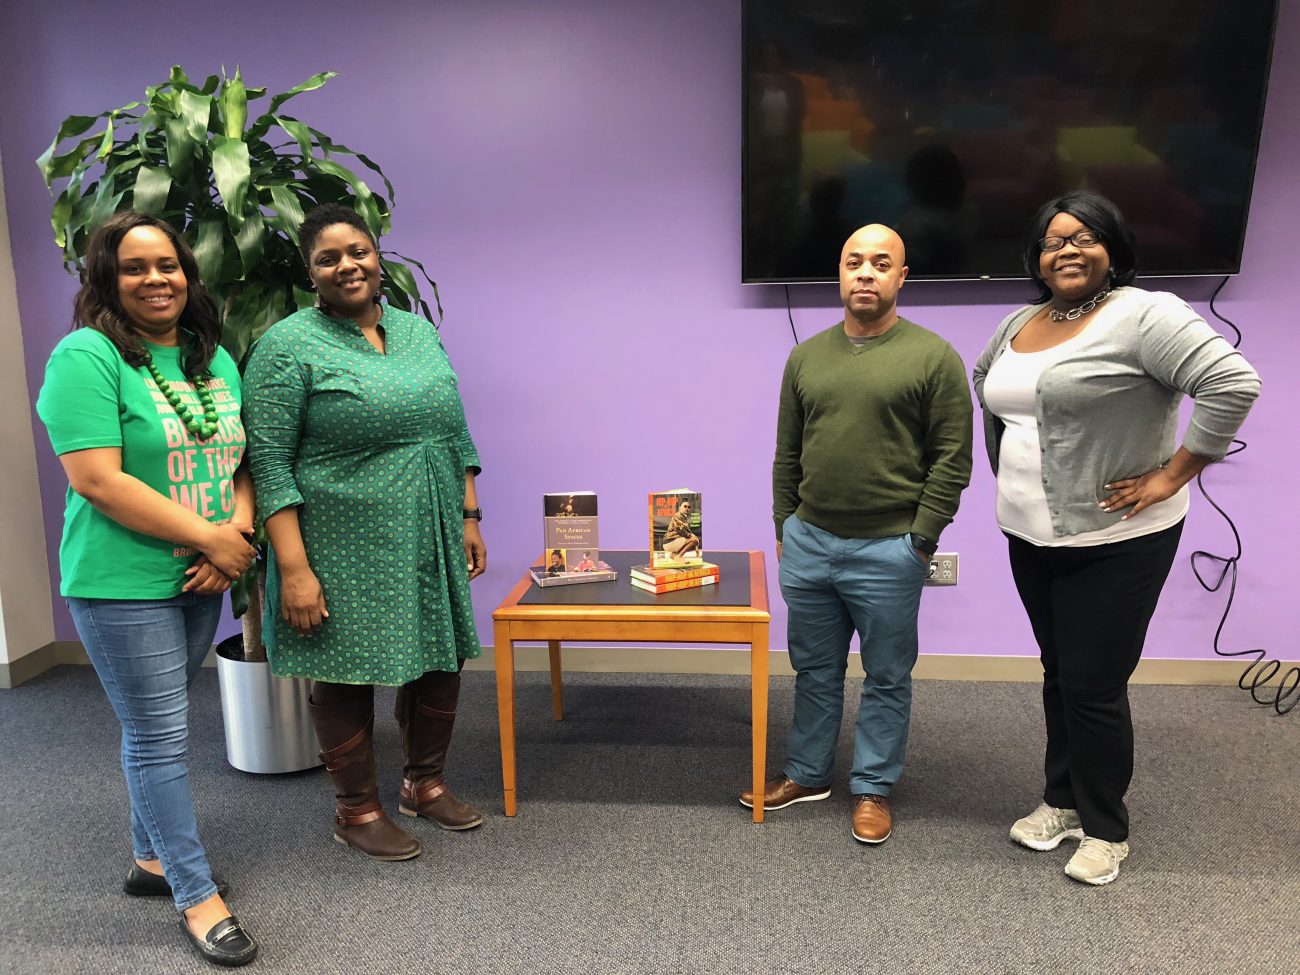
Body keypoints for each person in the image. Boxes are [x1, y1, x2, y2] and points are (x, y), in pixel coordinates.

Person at [972, 190, 1260, 885]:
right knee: (1058, 670)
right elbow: (988, 384)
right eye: (1052, 240)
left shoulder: (1145, 314)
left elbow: (1232, 381)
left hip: (1116, 537)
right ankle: (1062, 800)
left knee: (1094, 684)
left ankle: (1106, 828)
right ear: (1036, 258)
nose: (1066, 249)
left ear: (1114, 247)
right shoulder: (1023, 318)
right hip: (1030, 533)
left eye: (1084, 236)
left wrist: (1174, 472)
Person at [35, 212, 260, 966]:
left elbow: (241, 464)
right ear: (106, 278)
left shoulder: (211, 359)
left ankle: (150, 859)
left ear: (188, 274)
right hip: (122, 581)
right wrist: (211, 538)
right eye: (134, 267)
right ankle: (197, 896)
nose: (155, 278)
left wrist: (233, 536)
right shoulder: (87, 356)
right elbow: (97, 479)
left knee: (151, 728)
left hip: (203, 572)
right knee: (163, 737)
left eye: (167, 264)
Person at [244, 203, 487, 862]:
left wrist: (468, 513)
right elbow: (266, 461)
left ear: (377, 255)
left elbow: (452, 427)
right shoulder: (287, 346)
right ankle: (356, 811)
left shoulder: (416, 331)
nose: (347, 265)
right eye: (328, 257)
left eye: (358, 251)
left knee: (440, 655)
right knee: (346, 672)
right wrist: (293, 568)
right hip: (338, 538)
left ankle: (425, 784)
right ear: (310, 271)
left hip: (427, 526)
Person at [744, 224, 973, 844]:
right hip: (810, 542)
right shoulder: (806, 356)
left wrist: (920, 541)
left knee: (886, 674)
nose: (865, 273)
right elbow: (786, 453)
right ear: (840, 275)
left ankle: (872, 788)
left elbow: (952, 459)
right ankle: (807, 773)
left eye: (880, 263)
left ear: (902, 277)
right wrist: (784, 528)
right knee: (813, 669)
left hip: (890, 549)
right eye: (853, 262)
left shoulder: (934, 357)